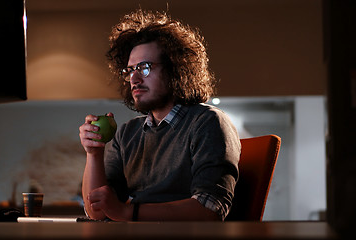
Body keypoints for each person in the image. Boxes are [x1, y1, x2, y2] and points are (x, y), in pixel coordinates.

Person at [79, 9, 241, 222]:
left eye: (144, 68)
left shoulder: (207, 122)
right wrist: (94, 153)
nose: (134, 79)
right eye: (129, 70)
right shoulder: (127, 133)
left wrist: (128, 213)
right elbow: (98, 211)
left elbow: (210, 208)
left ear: (176, 70)